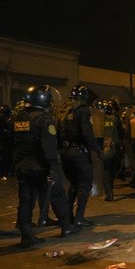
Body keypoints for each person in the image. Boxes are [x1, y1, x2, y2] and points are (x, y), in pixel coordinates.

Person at [12, 85, 80, 248]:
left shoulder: (18, 119)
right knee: (57, 195)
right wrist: (53, 168)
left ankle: (26, 234)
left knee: (26, 200)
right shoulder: (44, 120)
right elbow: (48, 148)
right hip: (41, 166)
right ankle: (66, 227)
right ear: (43, 100)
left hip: (22, 166)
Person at [58, 84, 103, 226]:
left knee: (74, 185)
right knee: (84, 185)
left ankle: (68, 217)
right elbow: (87, 134)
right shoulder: (83, 111)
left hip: (66, 153)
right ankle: (79, 218)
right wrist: (98, 150)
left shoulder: (65, 111)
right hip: (79, 154)